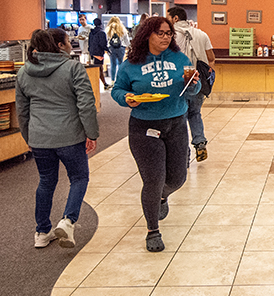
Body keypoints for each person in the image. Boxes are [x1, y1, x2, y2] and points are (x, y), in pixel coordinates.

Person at [111, 16, 200, 252]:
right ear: (147, 34)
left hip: (176, 123)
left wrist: (192, 83)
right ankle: (152, 230)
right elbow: (118, 90)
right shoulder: (132, 63)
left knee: (177, 178)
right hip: (144, 126)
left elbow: (193, 88)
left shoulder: (179, 58)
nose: (165, 37)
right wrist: (127, 99)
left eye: (168, 33)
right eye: (160, 33)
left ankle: (161, 198)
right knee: (153, 179)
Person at [15, 28, 100, 249]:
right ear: (58, 45)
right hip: (70, 136)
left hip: (39, 138)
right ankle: (68, 221)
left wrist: (30, 137)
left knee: (46, 181)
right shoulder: (73, 68)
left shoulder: (24, 73)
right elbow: (86, 104)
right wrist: (91, 133)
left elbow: (22, 111)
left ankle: (42, 232)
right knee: (79, 178)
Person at [168, 6, 216, 163]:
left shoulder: (169, 35)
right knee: (195, 113)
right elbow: (211, 57)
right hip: (198, 79)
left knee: (180, 116)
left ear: (175, 18)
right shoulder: (202, 34)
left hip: (177, 80)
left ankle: (184, 154)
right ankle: (200, 142)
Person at [104, 17, 129, 88]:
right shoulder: (122, 29)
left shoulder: (108, 29)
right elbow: (126, 40)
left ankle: (112, 81)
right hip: (121, 47)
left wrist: (106, 48)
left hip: (111, 48)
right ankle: (120, 80)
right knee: (121, 63)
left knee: (113, 64)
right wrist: (127, 46)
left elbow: (106, 39)